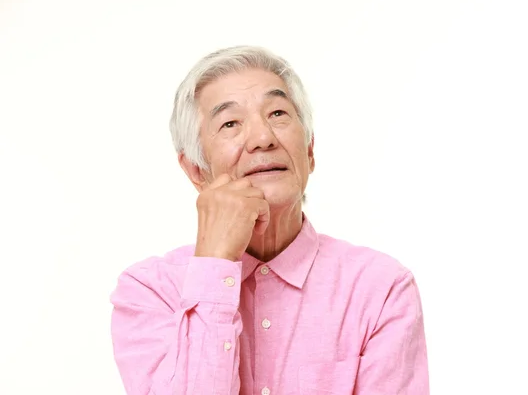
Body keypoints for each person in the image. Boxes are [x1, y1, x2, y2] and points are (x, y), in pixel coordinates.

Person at [110, 45, 429, 395]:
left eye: (277, 113)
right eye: (230, 123)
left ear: (309, 150)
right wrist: (215, 264)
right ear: (196, 169)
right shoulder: (150, 292)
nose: (263, 139)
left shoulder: (381, 289)